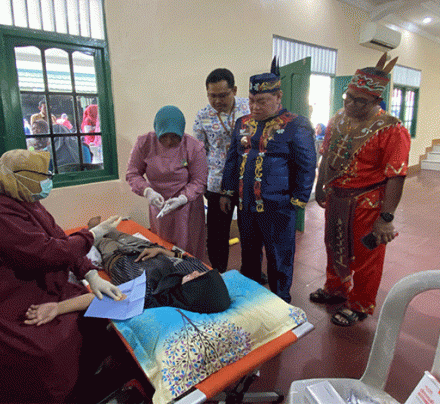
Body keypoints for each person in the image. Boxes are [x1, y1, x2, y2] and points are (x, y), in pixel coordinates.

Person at [0, 149, 124, 403]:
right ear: (19, 178)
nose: (48, 180)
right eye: (44, 175)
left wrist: (90, 272)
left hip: (13, 292)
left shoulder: (27, 202)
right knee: (43, 351)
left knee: (82, 322)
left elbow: (58, 240)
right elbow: (46, 252)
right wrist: (92, 235)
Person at [310, 53, 411, 326]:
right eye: (349, 97)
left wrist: (386, 217)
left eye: (360, 101)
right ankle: (336, 288)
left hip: (367, 202)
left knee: (366, 256)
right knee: (333, 245)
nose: (352, 104)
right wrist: (320, 185)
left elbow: (396, 175)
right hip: (336, 196)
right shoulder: (339, 118)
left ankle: (360, 303)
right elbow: (327, 153)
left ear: (377, 100)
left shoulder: (391, 129)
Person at [220, 63, 316, 303]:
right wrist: (226, 191)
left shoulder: (296, 124)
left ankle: (281, 300)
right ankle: (251, 296)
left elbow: (307, 165)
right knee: (249, 252)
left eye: (262, 101)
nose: (255, 107)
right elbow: (232, 159)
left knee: (279, 255)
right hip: (246, 204)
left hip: (278, 206)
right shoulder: (242, 123)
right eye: (252, 100)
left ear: (278, 96)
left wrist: (299, 199)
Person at [25, 226, 231, 325]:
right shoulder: (196, 272)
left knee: (93, 235)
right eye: (201, 272)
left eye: (197, 278)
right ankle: (102, 228)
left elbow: (99, 298)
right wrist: (161, 251)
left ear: (193, 293)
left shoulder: (152, 297)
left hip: (115, 256)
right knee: (111, 227)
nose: (196, 271)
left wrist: (57, 307)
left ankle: (94, 229)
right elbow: (184, 257)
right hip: (144, 247)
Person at [126, 105, 207, 260]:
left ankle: (191, 275)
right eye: (164, 136)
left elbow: (199, 180)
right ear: (157, 130)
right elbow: (132, 173)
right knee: (162, 244)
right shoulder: (144, 143)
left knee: (187, 247)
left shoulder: (193, 147)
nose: (169, 142)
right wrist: (147, 191)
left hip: (187, 206)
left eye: (175, 137)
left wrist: (183, 198)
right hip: (159, 203)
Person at [193, 68, 250, 273]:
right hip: (216, 184)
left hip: (247, 181)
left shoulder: (249, 108)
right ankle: (218, 273)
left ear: (234, 90)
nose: (217, 101)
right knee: (217, 234)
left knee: (250, 231)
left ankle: (251, 271)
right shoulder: (203, 116)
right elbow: (200, 152)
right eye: (212, 96)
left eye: (223, 95)